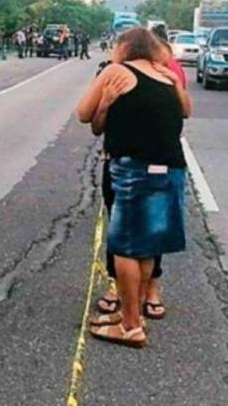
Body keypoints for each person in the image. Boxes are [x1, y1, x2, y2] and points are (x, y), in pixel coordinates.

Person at [76, 28, 190, 348]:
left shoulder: (116, 70)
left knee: (125, 245)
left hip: (134, 168)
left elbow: (84, 114)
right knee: (147, 244)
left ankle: (129, 326)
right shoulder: (165, 75)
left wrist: (107, 99)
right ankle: (132, 312)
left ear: (124, 47)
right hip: (171, 168)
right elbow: (185, 111)